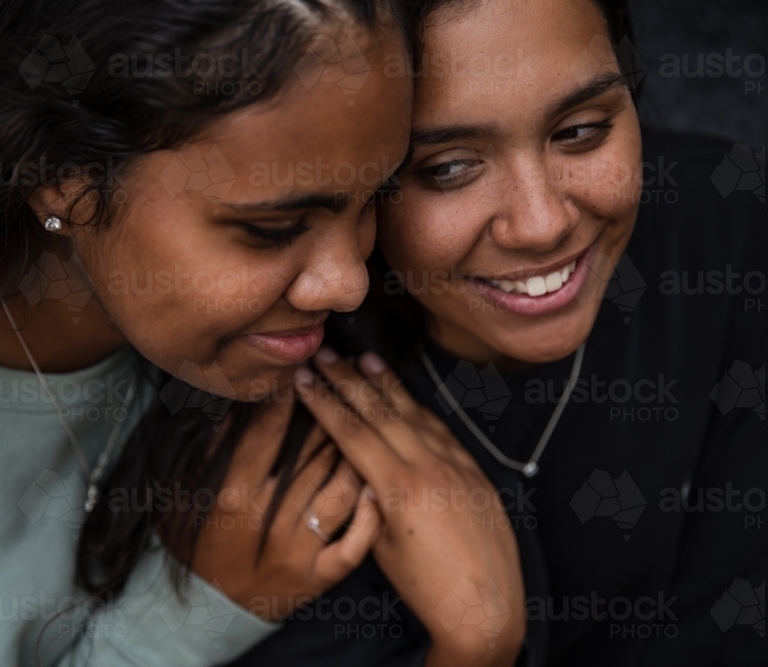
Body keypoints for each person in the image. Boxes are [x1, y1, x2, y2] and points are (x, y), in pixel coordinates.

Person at [0, 0, 417, 665]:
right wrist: (188, 615)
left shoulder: (306, 360)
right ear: (61, 180)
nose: (349, 284)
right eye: (271, 230)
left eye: (377, 198)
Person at [228, 0, 765, 665]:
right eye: (448, 168)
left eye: (581, 131)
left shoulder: (734, 234)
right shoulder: (275, 379)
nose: (541, 224)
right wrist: (475, 645)